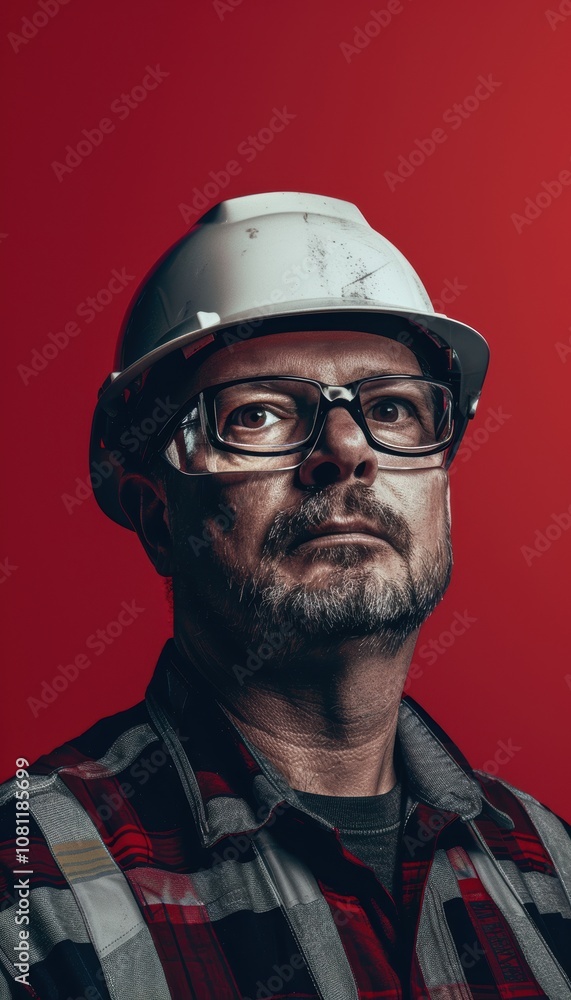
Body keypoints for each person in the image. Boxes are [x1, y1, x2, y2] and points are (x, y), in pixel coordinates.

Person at [1, 192, 570, 1000]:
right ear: (157, 515)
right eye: (260, 413)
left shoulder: (549, 866)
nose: (345, 452)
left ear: (442, 500)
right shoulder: (32, 884)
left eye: (393, 410)